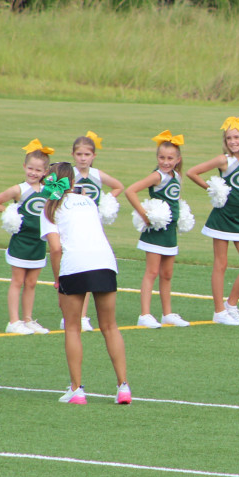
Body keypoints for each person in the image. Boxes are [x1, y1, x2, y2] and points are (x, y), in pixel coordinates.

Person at [40, 163, 130, 405]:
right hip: (105, 261)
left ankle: (77, 389)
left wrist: (58, 280)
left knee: (72, 327)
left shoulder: (49, 209)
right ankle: (123, 387)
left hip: (74, 264)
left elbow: (56, 248)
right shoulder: (89, 202)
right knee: (110, 326)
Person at [185, 116, 239, 325]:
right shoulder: (224, 160)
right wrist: (213, 190)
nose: (233, 141)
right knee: (221, 264)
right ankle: (219, 311)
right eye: (229, 138)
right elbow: (192, 172)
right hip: (222, 218)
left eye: (236, 137)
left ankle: (231, 304)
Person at [126, 131, 189, 328]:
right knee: (152, 272)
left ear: (178, 160)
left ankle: (167, 313)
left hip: (170, 232)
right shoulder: (157, 176)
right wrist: (145, 215)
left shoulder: (176, 176)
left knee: (167, 273)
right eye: (162, 157)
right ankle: (144, 314)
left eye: (170, 158)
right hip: (155, 232)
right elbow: (130, 191)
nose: (165, 161)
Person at [0, 140, 52, 334]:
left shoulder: (49, 190)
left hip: (39, 243)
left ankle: (28, 319)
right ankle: (13, 321)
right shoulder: (19, 189)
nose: (33, 173)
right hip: (21, 242)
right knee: (17, 281)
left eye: (38, 170)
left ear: (45, 172)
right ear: (24, 167)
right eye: (30, 168)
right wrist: (11, 214)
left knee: (32, 283)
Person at [63, 131, 124, 332]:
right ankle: (73, 316)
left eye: (87, 155)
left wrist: (105, 203)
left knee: (89, 268)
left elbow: (118, 186)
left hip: (92, 227)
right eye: (79, 154)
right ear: (73, 155)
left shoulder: (97, 175)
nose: (83, 158)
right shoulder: (69, 175)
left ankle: (82, 316)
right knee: (79, 267)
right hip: (74, 227)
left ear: (93, 156)